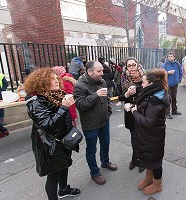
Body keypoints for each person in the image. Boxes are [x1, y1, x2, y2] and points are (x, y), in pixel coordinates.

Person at [24, 68, 80, 200]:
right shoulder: (35, 101)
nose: (57, 80)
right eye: (53, 79)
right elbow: (48, 125)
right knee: (54, 174)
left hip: (63, 139)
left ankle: (63, 190)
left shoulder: (55, 94)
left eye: (57, 78)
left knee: (64, 165)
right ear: (42, 82)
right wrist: (64, 107)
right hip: (49, 142)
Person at [73, 61, 117, 185]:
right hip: (90, 124)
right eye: (99, 71)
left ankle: (105, 162)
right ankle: (95, 172)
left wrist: (108, 112)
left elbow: (107, 98)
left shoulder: (102, 81)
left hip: (104, 121)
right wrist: (95, 95)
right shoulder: (80, 86)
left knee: (105, 143)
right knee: (91, 149)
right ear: (90, 72)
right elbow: (80, 105)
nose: (102, 73)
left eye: (102, 70)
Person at [131, 68, 170, 195]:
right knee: (148, 156)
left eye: (143, 82)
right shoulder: (152, 93)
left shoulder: (156, 98)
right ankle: (149, 177)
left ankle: (157, 183)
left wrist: (134, 111)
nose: (141, 85)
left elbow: (148, 122)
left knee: (155, 160)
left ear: (151, 84)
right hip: (148, 135)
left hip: (153, 135)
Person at [118, 57, 145, 173]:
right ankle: (135, 159)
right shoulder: (123, 79)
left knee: (142, 138)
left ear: (137, 65)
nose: (132, 67)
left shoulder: (145, 77)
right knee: (134, 138)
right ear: (126, 67)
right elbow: (120, 97)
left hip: (142, 112)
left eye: (134, 65)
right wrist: (127, 94)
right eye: (129, 65)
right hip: (130, 113)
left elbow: (150, 94)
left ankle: (142, 160)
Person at [162, 52, 182, 119]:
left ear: (174, 57)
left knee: (174, 98)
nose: (170, 57)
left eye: (171, 56)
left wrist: (179, 80)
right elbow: (162, 73)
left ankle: (174, 110)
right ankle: (167, 113)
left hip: (175, 84)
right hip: (168, 84)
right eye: (169, 56)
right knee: (168, 99)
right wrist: (168, 72)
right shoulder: (165, 64)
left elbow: (180, 72)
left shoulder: (177, 64)